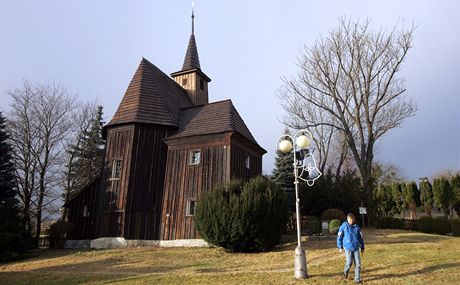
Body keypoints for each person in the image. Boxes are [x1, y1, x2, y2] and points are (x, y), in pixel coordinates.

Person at [337, 213, 365, 284]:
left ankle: (357, 280)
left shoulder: (357, 227)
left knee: (358, 264)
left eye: (352, 219)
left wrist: (362, 247)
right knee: (349, 263)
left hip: (356, 248)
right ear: (347, 219)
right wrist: (340, 246)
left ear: (354, 219)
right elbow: (339, 236)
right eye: (350, 219)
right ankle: (345, 273)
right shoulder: (344, 226)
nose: (351, 221)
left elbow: (360, 238)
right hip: (348, 248)